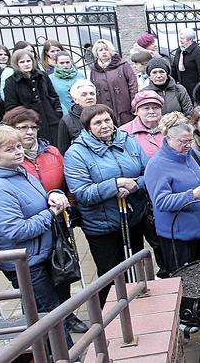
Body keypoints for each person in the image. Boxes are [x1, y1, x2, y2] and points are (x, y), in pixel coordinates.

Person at [0, 125, 74, 346]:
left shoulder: (19, 172)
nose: (19, 151)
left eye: (19, 146)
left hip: (40, 255)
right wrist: (50, 213)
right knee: (50, 318)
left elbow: (37, 199)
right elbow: (16, 230)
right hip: (26, 263)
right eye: (10, 149)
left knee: (45, 314)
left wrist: (53, 195)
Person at [1, 106, 88, 333]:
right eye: (22, 128)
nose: (29, 132)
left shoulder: (51, 152)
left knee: (62, 270)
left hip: (58, 221)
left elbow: (65, 182)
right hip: (31, 231)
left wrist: (67, 202)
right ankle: (47, 329)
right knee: (38, 289)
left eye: (33, 127)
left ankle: (67, 315)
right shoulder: (9, 162)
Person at [64, 104, 149, 306]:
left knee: (135, 271)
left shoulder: (128, 141)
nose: (104, 125)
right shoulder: (76, 153)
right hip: (102, 225)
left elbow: (149, 173)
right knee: (110, 277)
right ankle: (106, 320)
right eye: (98, 122)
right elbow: (81, 192)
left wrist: (134, 186)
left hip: (132, 219)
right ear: (87, 127)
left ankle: (138, 312)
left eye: (107, 120)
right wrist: (114, 185)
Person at [144, 112, 200, 275]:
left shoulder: (193, 155)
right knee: (185, 284)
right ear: (168, 138)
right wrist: (192, 195)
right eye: (183, 141)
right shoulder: (156, 166)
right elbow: (161, 202)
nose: (188, 145)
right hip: (178, 237)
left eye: (190, 140)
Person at [4, 49, 62, 146]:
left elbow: (53, 95)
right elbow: (11, 106)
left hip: (51, 119)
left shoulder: (42, 75)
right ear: (16, 64)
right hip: (31, 124)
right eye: (22, 62)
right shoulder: (11, 82)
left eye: (28, 61)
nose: (26, 64)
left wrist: (57, 112)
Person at [90, 39, 138, 126]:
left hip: (124, 108)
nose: (104, 52)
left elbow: (133, 84)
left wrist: (134, 105)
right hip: (104, 109)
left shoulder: (122, 65)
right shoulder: (94, 69)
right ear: (96, 53)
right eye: (100, 50)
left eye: (106, 49)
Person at [119, 91, 165, 158]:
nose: (151, 112)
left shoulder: (171, 128)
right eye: (146, 108)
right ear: (137, 111)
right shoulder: (123, 132)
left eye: (155, 107)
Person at [57, 80, 96, 154]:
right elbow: (63, 151)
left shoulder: (105, 113)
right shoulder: (66, 121)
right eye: (84, 95)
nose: (89, 97)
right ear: (75, 99)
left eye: (92, 94)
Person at [171, 28, 200, 97]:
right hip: (182, 88)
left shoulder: (198, 51)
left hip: (195, 88)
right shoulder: (179, 51)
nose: (180, 40)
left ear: (190, 39)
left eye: (182, 38)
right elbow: (174, 68)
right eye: (180, 38)